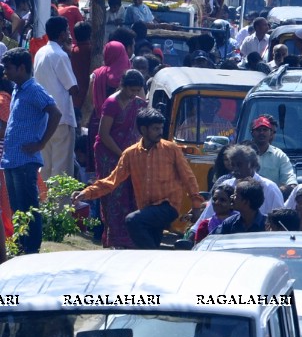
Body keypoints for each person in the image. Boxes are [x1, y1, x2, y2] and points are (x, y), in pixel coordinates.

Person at [73, 108, 205, 249]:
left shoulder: (171, 149)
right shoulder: (131, 154)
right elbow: (112, 181)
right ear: (143, 129)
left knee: (132, 220)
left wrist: (196, 205)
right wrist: (86, 193)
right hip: (147, 209)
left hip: (168, 206)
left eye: (161, 128)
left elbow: (188, 177)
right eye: (155, 129)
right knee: (150, 245)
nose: (160, 132)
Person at [2, 47, 62, 256]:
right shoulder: (18, 88)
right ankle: (21, 247)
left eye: (8, 68)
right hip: (11, 159)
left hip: (26, 159)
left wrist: (41, 143)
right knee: (17, 209)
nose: (5, 72)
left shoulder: (34, 89)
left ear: (21, 67)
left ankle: (32, 250)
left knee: (29, 207)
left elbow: (55, 113)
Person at [92, 69, 148, 248]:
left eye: (137, 90)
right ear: (122, 85)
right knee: (113, 193)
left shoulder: (139, 104)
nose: (133, 94)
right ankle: (113, 238)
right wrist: (122, 154)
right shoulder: (112, 104)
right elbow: (104, 134)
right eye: (131, 90)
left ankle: (129, 238)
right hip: (109, 155)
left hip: (131, 156)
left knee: (131, 193)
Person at [33, 16, 79, 179]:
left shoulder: (40, 52)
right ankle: (60, 205)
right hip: (62, 118)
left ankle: (45, 202)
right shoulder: (60, 55)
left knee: (46, 167)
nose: (69, 33)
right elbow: (73, 88)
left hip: (44, 118)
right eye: (67, 30)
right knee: (62, 169)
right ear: (61, 34)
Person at [246, 115, 297, 195]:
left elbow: (290, 181)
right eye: (258, 130)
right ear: (252, 133)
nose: (262, 132)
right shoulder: (243, 153)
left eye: (265, 130)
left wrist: (277, 191)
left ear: (271, 133)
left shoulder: (279, 156)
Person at [191, 180, 236, 244]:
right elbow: (199, 250)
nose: (217, 203)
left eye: (222, 200)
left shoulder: (239, 223)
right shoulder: (205, 225)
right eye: (215, 199)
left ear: (232, 203)